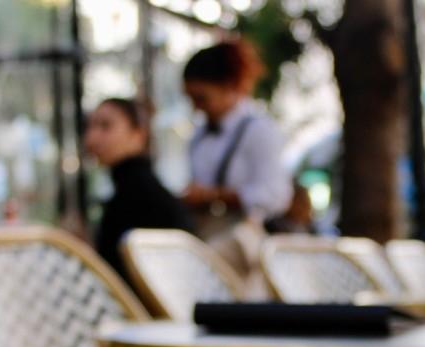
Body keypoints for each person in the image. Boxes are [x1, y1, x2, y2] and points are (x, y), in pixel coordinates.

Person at [182, 39, 293, 243]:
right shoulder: (199, 136)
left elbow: (276, 196)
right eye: (191, 99)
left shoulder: (258, 130)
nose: (196, 107)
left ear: (228, 87)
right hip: (208, 237)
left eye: (202, 98)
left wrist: (214, 196)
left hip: (246, 243)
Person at [82, 97, 193, 280]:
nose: (92, 138)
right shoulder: (131, 188)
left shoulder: (137, 195)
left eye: (106, 126)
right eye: (90, 127)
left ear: (138, 134)